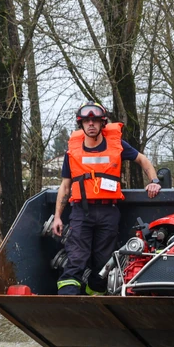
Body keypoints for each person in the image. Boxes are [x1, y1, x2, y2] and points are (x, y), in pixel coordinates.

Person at [52, 102, 162, 295]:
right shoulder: (73, 151)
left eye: (95, 120)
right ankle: (67, 301)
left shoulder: (117, 144)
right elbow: (65, 186)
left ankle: (95, 298)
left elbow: (142, 160)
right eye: (87, 121)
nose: (91, 124)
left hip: (108, 211)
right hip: (81, 211)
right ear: (82, 124)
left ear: (103, 123)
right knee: (76, 258)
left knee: (104, 263)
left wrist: (154, 181)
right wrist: (58, 216)